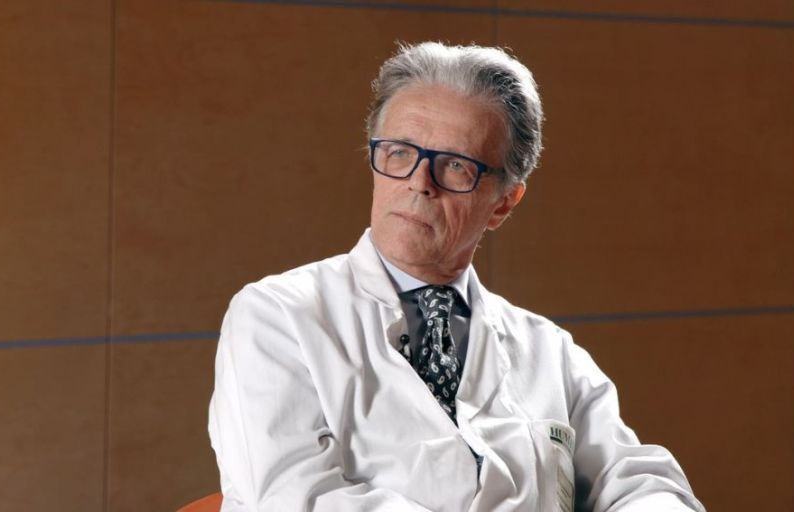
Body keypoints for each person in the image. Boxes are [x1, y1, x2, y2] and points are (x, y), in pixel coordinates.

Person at [208, 42, 704, 512]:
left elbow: (637, 481)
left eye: (455, 166)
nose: (418, 183)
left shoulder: (548, 350)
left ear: (503, 203)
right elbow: (295, 497)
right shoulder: (278, 317)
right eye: (400, 152)